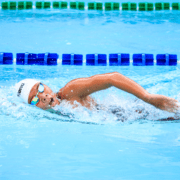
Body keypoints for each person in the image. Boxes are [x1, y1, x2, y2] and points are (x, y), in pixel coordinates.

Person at [15, 72, 179, 113]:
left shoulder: (70, 91)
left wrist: (147, 97)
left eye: (41, 89)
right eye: (34, 99)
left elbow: (112, 78)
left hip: (130, 113)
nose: (43, 96)